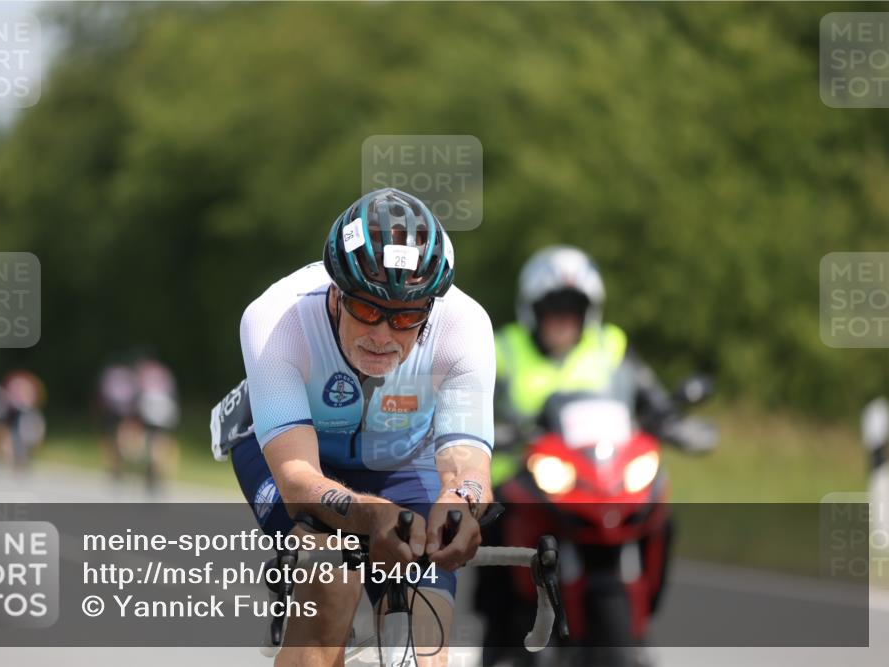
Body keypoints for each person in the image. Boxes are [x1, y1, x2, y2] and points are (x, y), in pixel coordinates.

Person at [219, 187, 495, 667]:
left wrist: (463, 505)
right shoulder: (277, 319)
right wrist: (372, 518)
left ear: (429, 310)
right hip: (292, 456)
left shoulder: (464, 326)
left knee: (423, 644)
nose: (383, 335)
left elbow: (466, 464)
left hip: (401, 459)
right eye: (367, 309)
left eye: (407, 317)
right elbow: (298, 480)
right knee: (332, 585)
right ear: (335, 293)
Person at [477, 245, 714, 666]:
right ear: (533, 309)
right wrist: (489, 430)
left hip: (602, 477)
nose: (563, 317)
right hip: (526, 476)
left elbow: (652, 399)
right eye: (553, 307)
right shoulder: (502, 349)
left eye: (574, 307)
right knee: (492, 526)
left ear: (590, 310)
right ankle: (504, 643)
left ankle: (638, 622)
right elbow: (471, 404)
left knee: (662, 513)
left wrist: (672, 422)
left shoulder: (612, 347)